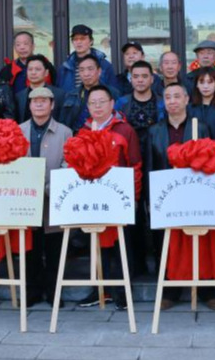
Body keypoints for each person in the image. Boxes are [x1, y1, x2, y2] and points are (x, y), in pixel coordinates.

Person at [145, 83, 215, 311]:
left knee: (200, 241)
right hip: (167, 197)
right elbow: (150, 165)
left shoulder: (202, 127)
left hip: (196, 195)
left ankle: (207, 291)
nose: (172, 101)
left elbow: (213, 163)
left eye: (177, 96)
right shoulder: (155, 131)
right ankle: (170, 291)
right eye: (168, 97)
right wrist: (150, 200)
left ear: (187, 99)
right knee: (168, 244)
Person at [77, 85, 142, 310]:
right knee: (97, 244)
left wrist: (133, 197)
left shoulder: (125, 130)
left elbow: (135, 165)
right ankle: (99, 290)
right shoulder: (83, 131)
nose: (97, 106)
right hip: (93, 199)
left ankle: (123, 293)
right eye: (92, 103)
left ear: (112, 104)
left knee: (121, 247)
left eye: (101, 102)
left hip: (118, 199)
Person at [19, 87, 73, 307]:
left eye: (44, 101)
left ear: (52, 105)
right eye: (35, 101)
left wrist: (49, 188)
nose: (39, 104)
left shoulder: (65, 132)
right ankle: (31, 291)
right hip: (26, 200)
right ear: (29, 105)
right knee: (29, 249)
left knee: (54, 249)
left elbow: (68, 163)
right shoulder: (19, 130)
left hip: (53, 199)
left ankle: (54, 293)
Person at [115, 60, 165, 276]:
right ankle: (136, 264)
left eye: (145, 76)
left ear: (152, 79)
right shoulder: (122, 103)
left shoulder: (162, 102)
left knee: (158, 209)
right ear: (130, 79)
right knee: (133, 212)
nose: (140, 80)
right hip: (130, 162)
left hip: (157, 162)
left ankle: (162, 261)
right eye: (136, 76)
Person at [61, 54, 120, 133]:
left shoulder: (112, 93)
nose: (86, 74)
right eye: (82, 70)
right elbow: (63, 123)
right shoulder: (71, 95)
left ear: (99, 71)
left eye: (90, 69)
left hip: (105, 136)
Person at [56, 24, 117, 93]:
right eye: (75, 39)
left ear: (91, 41)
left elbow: (113, 91)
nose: (79, 42)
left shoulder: (104, 65)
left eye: (82, 38)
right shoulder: (65, 68)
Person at [15, 55, 65, 123]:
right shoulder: (19, 96)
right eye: (30, 69)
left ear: (46, 72)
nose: (33, 73)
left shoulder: (59, 95)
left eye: (37, 69)